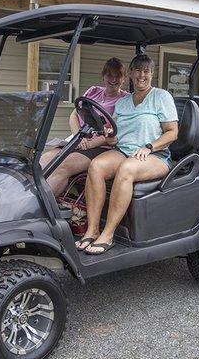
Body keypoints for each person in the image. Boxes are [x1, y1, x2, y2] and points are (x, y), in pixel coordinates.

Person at [76, 54, 179, 254]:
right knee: (96, 166)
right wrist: (111, 137)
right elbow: (115, 135)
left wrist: (149, 147)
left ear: (152, 74)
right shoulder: (123, 102)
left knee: (126, 169)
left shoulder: (161, 96)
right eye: (138, 71)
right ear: (131, 74)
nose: (142, 75)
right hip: (124, 150)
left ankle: (108, 233)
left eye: (146, 71)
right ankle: (92, 229)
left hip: (154, 155)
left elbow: (172, 132)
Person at [40, 57, 128, 196]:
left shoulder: (125, 100)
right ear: (103, 76)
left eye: (118, 76)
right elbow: (74, 115)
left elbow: (116, 132)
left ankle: (40, 208)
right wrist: (78, 138)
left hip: (100, 147)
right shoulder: (93, 91)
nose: (113, 79)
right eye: (110, 75)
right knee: (43, 160)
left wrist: (90, 144)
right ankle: (47, 201)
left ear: (124, 78)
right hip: (79, 139)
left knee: (61, 166)